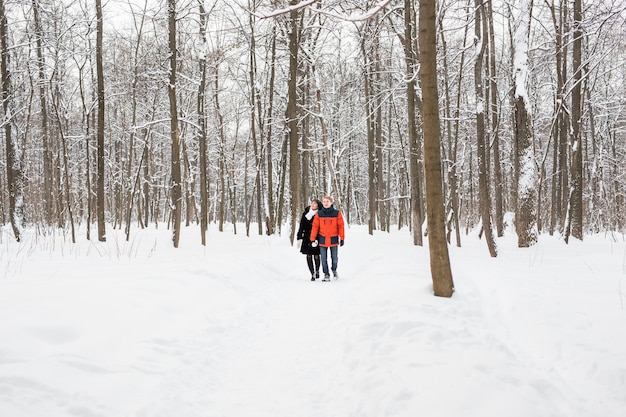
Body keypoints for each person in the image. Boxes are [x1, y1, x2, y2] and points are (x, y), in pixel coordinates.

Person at [310, 195, 345, 281]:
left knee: (335, 258)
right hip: (323, 239)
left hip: (333, 238)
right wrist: (312, 238)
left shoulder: (337, 213)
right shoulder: (319, 214)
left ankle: (334, 269)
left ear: (331, 203)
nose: (326, 203)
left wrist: (342, 238)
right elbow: (315, 227)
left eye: (327, 201)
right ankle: (326, 274)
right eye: (324, 202)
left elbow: (341, 226)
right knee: (323, 258)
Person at [297, 199, 322, 281]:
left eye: (315, 204)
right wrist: (299, 236)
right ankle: (312, 273)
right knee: (308, 255)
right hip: (307, 236)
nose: (313, 204)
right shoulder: (306, 212)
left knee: (316, 255)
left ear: (318, 206)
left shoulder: (320, 213)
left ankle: (317, 270)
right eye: (312, 203)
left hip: (316, 236)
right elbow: (302, 225)